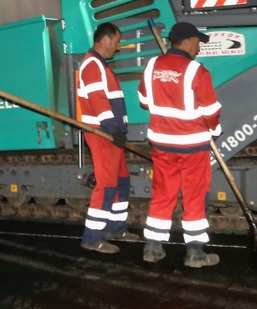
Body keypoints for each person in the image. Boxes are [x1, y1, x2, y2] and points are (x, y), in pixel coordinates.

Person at [137, 21, 222, 268]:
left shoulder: (152, 65)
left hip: (162, 144)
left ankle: (152, 248)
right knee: (194, 196)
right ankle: (195, 254)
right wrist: (215, 129)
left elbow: (143, 99)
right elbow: (210, 110)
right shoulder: (197, 71)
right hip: (192, 146)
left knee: (163, 193)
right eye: (197, 42)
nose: (199, 47)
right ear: (186, 42)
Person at [76, 22, 133, 254]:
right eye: (117, 42)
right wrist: (111, 129)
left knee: (121, 181)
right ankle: (92, 238)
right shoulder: (92, 65)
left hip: (111, 134)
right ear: (105, 40)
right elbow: (98, 100)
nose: (118, 47)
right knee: (107, 183)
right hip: (102, 134)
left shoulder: (101, 66)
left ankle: (116, 228)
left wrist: (117, 130)